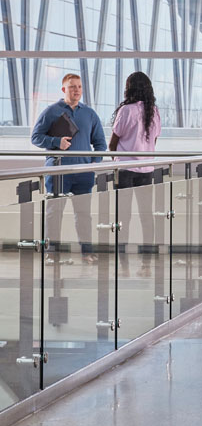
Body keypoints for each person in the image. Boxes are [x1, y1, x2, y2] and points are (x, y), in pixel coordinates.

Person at [30, 72, 107, 262]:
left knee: (84, 215)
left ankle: (87, 252)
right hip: (58, 171)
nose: (77, 90)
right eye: (72, 87)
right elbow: (35, 137)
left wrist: (94, 163)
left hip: (83, 173)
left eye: (79, 87)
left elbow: (100, 144)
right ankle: (51, 253)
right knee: (54, 214)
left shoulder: (89, 113)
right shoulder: (51, 111)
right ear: (64, 89)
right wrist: (56, 142)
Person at [109, 71, 162, 277]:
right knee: (146, 217)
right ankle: (146, 265)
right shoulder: (154, 111)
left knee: (123, 218)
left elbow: (113, 143)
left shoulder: (126, 110)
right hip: (147, 169)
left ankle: (123, 266)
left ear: (129, 88)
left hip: (125, 169)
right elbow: (154, 141)